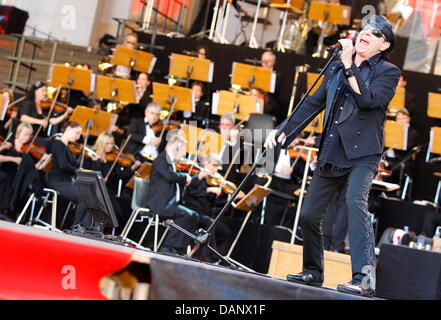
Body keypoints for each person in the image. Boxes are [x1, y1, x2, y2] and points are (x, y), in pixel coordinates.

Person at [265, 15, 401, 296]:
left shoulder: (388, 72)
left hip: (363, 154)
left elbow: (367, 100)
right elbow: (312, 103)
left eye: (374, 33)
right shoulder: (337, 67)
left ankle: (364, 278)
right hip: (332, 150)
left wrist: (350, 64)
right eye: (364, 30)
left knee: (355, 204)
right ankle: (313, 271)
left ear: (383, 44)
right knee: (308, 215)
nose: (365, 34)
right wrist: (283, 131)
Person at [145, 134, 203, 255]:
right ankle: (168, 246)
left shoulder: (169, 162)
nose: (183, 154)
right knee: (187, 215)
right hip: (160, 204)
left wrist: (189, 179)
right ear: (175, 149)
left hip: (169, 203)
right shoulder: (162, 159)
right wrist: (185, 177)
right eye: (183, 150)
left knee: (194, 216)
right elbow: (170, 176)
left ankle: (179, 248)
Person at [84, 132, 141, 232]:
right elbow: (90, 173)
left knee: (117, 211)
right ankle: (94, 229)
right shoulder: (92, 156)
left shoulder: (112, 159)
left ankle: (100, 230)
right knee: (105, 209)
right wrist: (96, 161)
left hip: (108, 191)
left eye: (111, 143)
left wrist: (132, 168)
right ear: (101, 143)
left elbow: (120, 175)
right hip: (94, 189)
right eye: (107, 143)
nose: (110, 146)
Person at [181, 153, 232, 259]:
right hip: (193, 210)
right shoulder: (197, 176)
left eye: (217, 167)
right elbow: (190, 192)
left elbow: (213, 203)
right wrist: (208, 190)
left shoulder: (212, 181)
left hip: (206, 213)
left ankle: (212, 256)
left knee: (225, 231)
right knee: (210, 224)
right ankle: (211, 254)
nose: (215, 170)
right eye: (213, 166)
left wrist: (226, 198)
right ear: (206, 163)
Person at [47, 121, 88, 231]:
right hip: (57, 181)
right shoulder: (58, 144)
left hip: (64, 181)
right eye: (77, 133)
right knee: (84, 196)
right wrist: (78, 171)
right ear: (69, 128)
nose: (78, 137)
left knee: (89, 195)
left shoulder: (66, 147)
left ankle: (85, 227)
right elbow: (63, 165)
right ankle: (76, 227)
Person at [384, 108, 419, 190]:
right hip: (388, 158)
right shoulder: (390, 130)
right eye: (399, 119)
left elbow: (406, 148)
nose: (401, 121)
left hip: (402, 161)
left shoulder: (413, 133)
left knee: (392, 167)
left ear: (408, 119)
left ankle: (392, 191)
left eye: (403, 118)